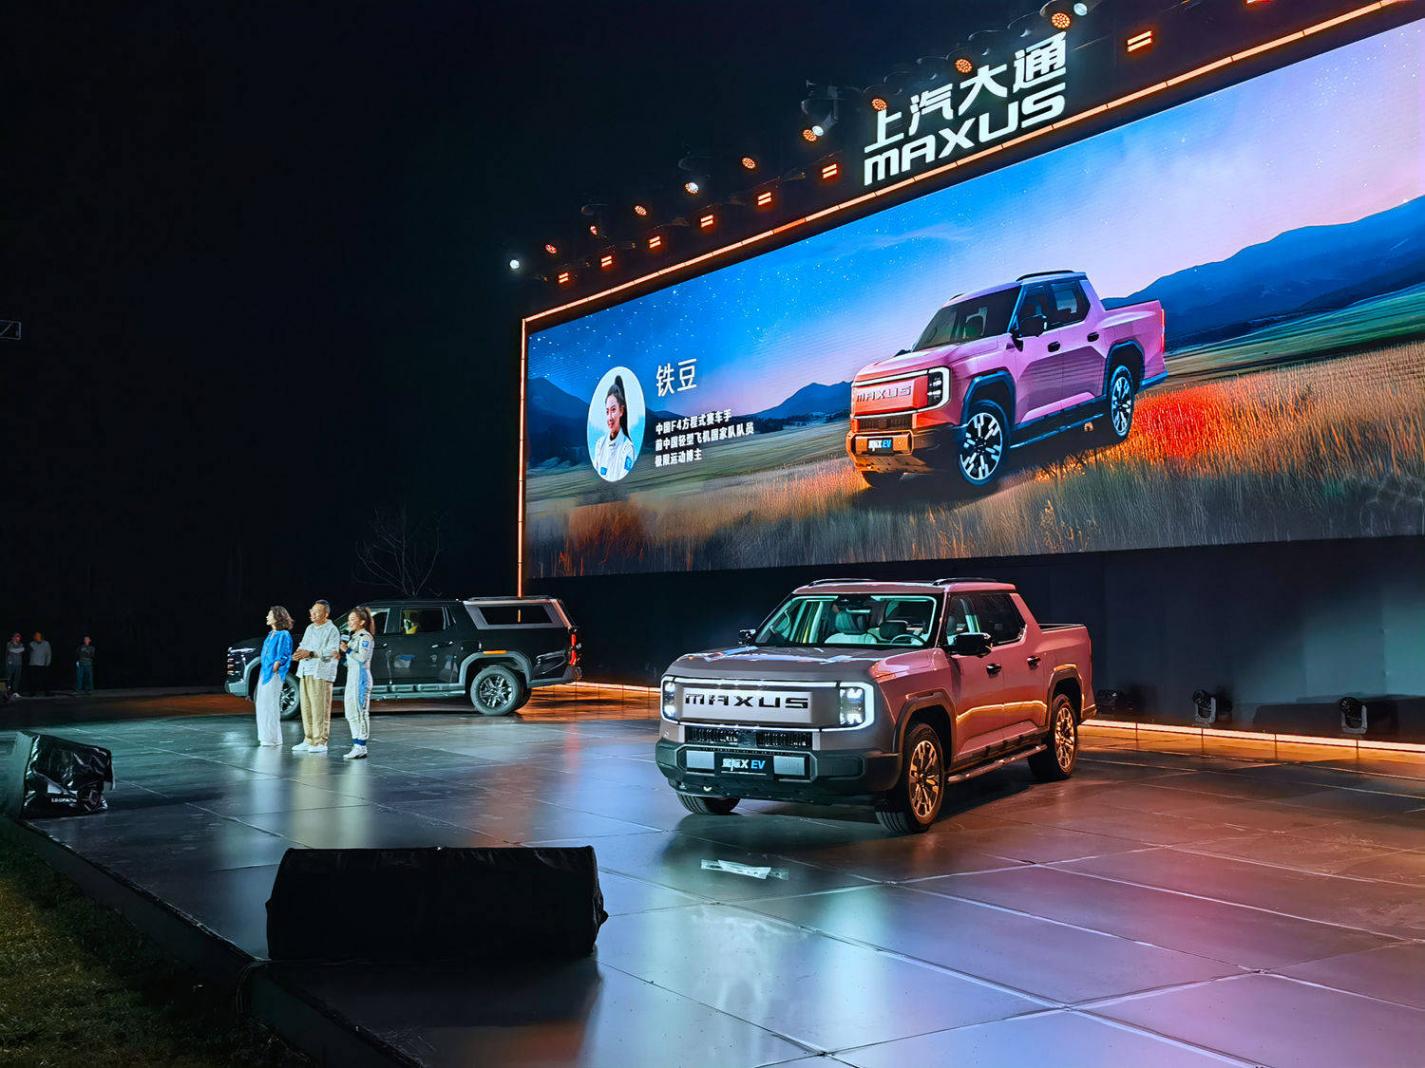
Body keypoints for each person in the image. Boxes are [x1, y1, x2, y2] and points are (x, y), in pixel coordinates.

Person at [290, 600, 341, 754]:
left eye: (317, 611)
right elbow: (303, 645)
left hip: (321, 673)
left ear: (326, 614)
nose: (312, 613)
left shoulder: (332, 630)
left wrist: (311, 653)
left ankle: (320, 741)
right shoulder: (310, 628)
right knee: (306, 707)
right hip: (305, 670)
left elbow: (332, 652)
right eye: (312, 610)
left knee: (320, 708)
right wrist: (298, 653)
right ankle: (309, 739)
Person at [255, 607, 294, 747]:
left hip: (274, 673)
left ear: (278, 617)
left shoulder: (283, 634)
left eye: (269, 615)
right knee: (262, 704)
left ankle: (272, 738)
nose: (267, 617)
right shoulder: (271, 634)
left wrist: (276, 665)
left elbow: (285, 653)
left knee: (270, 705)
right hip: (265, 672)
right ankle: (266, 736)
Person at [340, 606, 376, 760]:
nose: (350, 622)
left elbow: (362, 658)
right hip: (352, 678)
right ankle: (356, 745)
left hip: (361, 679)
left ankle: (361, 746)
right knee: (350, 713)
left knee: (360, 712)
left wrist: (347, 650)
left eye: (353, 619)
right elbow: (351, 662)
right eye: (349, 619)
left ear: (362, 621)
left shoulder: (365, 637)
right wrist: (341, 657)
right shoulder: (353, 636)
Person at [593, 375, 636, 482]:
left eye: (613, 410)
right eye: (607, 411)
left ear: (621, 411)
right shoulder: (600, 444)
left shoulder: (627, 448)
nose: (610, 417)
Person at [5, 634, 23, 701]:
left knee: (17, 679)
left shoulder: (21, 644)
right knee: (9, 678)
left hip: (18, 664)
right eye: (16, 637)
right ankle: (8, 692)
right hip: (10, 664)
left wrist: (17, 650)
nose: (17, 638)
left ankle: (15, 692)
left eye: (19, 637)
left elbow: (20, 651)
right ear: (12, 637)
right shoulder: (8, 644)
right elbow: (11, 650)